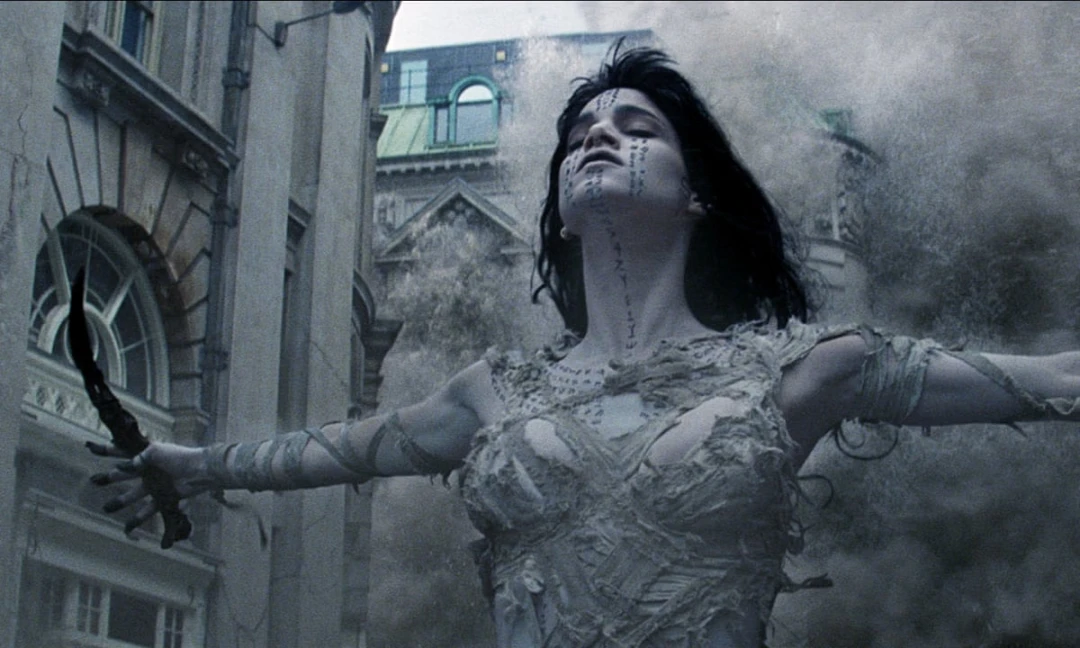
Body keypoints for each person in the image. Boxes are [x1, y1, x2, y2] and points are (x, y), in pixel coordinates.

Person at [90, 47, 1080, 648]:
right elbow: (336, 450)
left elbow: (1048, 381)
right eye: (579, 136)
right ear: (561, 208)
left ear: (696, 195)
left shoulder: (802, 370)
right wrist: (195, 465)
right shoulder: (492, 393)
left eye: (637, 127)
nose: (598, 137)